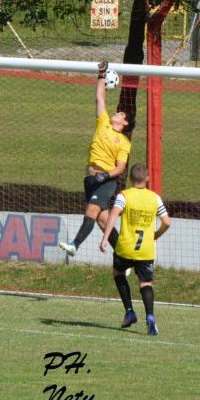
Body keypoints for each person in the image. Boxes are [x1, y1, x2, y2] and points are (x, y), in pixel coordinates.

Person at [59, 62, 131, 256]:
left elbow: (121, 167)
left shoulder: (124, 142)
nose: (118, 112)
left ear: (124, 123)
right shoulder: (103, 123)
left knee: (91, 211)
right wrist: (101, 74)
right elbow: (100, 97)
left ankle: (75, 245)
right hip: (90, 180)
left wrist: (105, 176)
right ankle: (125, 257)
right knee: (102, 220)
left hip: (106, 182)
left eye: (121, 113)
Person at [99, 163, 170, 336]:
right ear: (147, 179)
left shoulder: (124, 195)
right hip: (146, 250)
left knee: (118, 273)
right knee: (145, 283)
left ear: (130, 179)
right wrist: (156, 234)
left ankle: (130, 311)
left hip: (125, 248)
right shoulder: (155, 198)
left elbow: (114, 215)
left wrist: (105, 238)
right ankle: (151, 318)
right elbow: (167, 222)